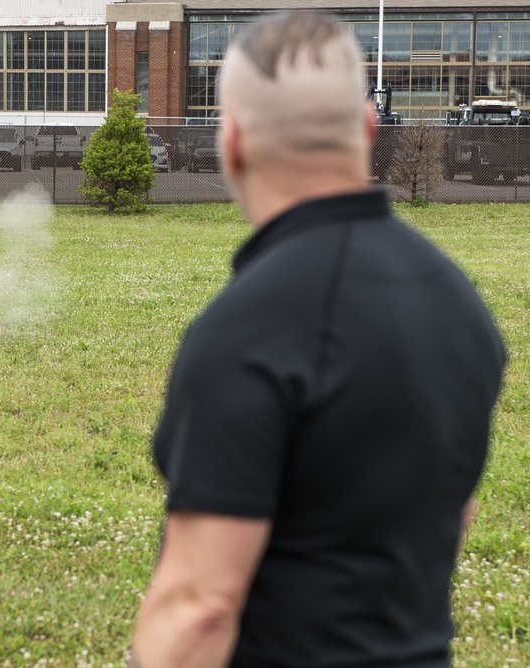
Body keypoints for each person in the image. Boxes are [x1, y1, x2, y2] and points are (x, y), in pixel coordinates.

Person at [131, 12, 506, 668]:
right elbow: (453, 513)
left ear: (233, 142)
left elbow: (201, 609)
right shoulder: (459, 304)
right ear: (367, 128)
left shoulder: (244, 331)